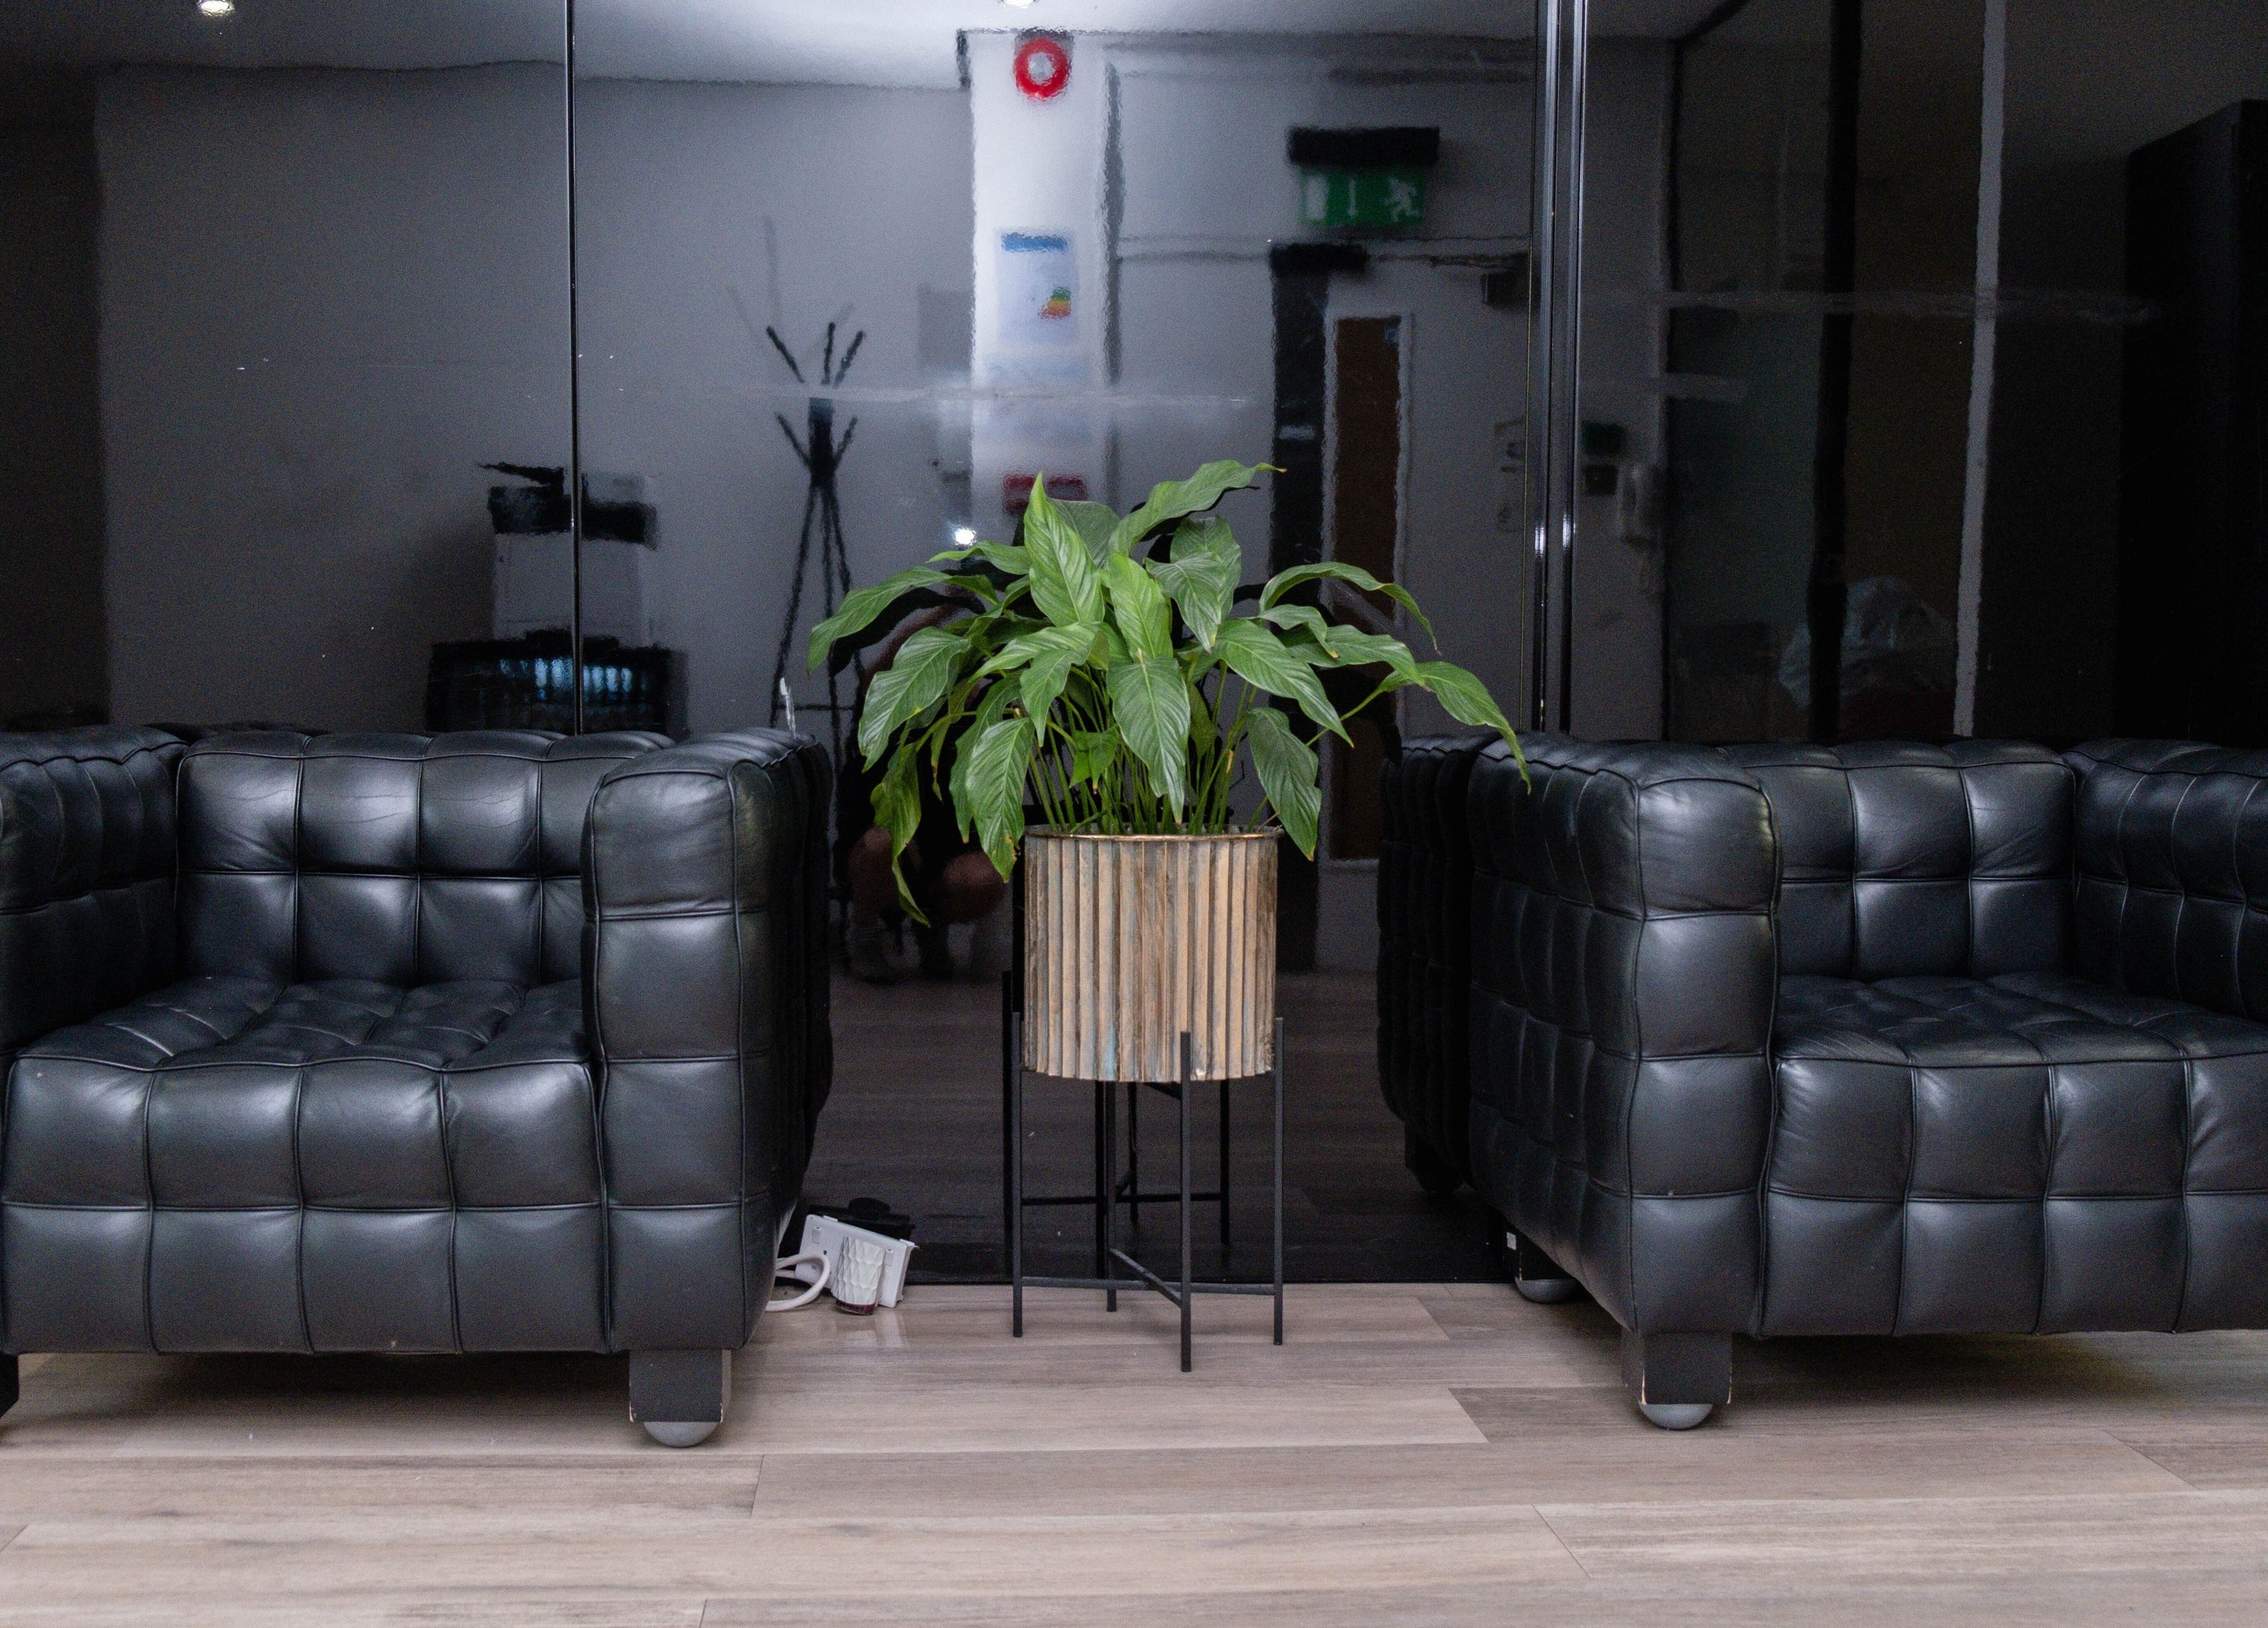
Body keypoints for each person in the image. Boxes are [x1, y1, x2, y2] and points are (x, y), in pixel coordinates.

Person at [836, 604, 1008, 983]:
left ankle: (934, 930)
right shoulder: (887, 710)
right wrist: (944, 609)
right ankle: (863, 934)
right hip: (881, 845)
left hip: (942, 853)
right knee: (883, 844)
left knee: (983, 877)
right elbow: (889, 655)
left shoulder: (972, 722)